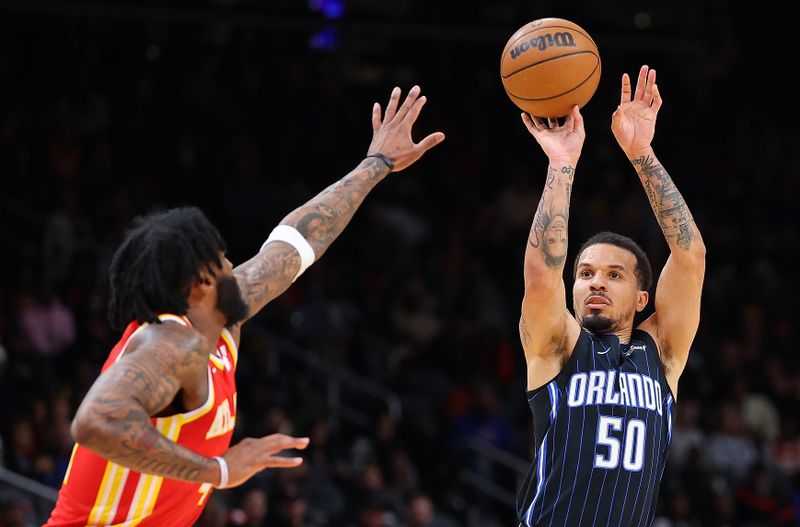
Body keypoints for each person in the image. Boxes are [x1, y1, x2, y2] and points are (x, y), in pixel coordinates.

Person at [44, 85, 445, 527]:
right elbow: (94, 422)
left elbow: (297, 241)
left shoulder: (219, 320)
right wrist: (219, 471)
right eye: (221, 257)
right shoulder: (168, 344)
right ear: (200, 283)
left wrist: (377, 164)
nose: (234, 262)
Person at [515, 65, 706, 526]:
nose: (595, 282)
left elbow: (690, 255)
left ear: (643, 298)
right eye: (585, 272)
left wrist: (641, 152)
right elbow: (543, 274)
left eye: (614, 275)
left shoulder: (660, 352)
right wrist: (561, 163)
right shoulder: (558, 346)